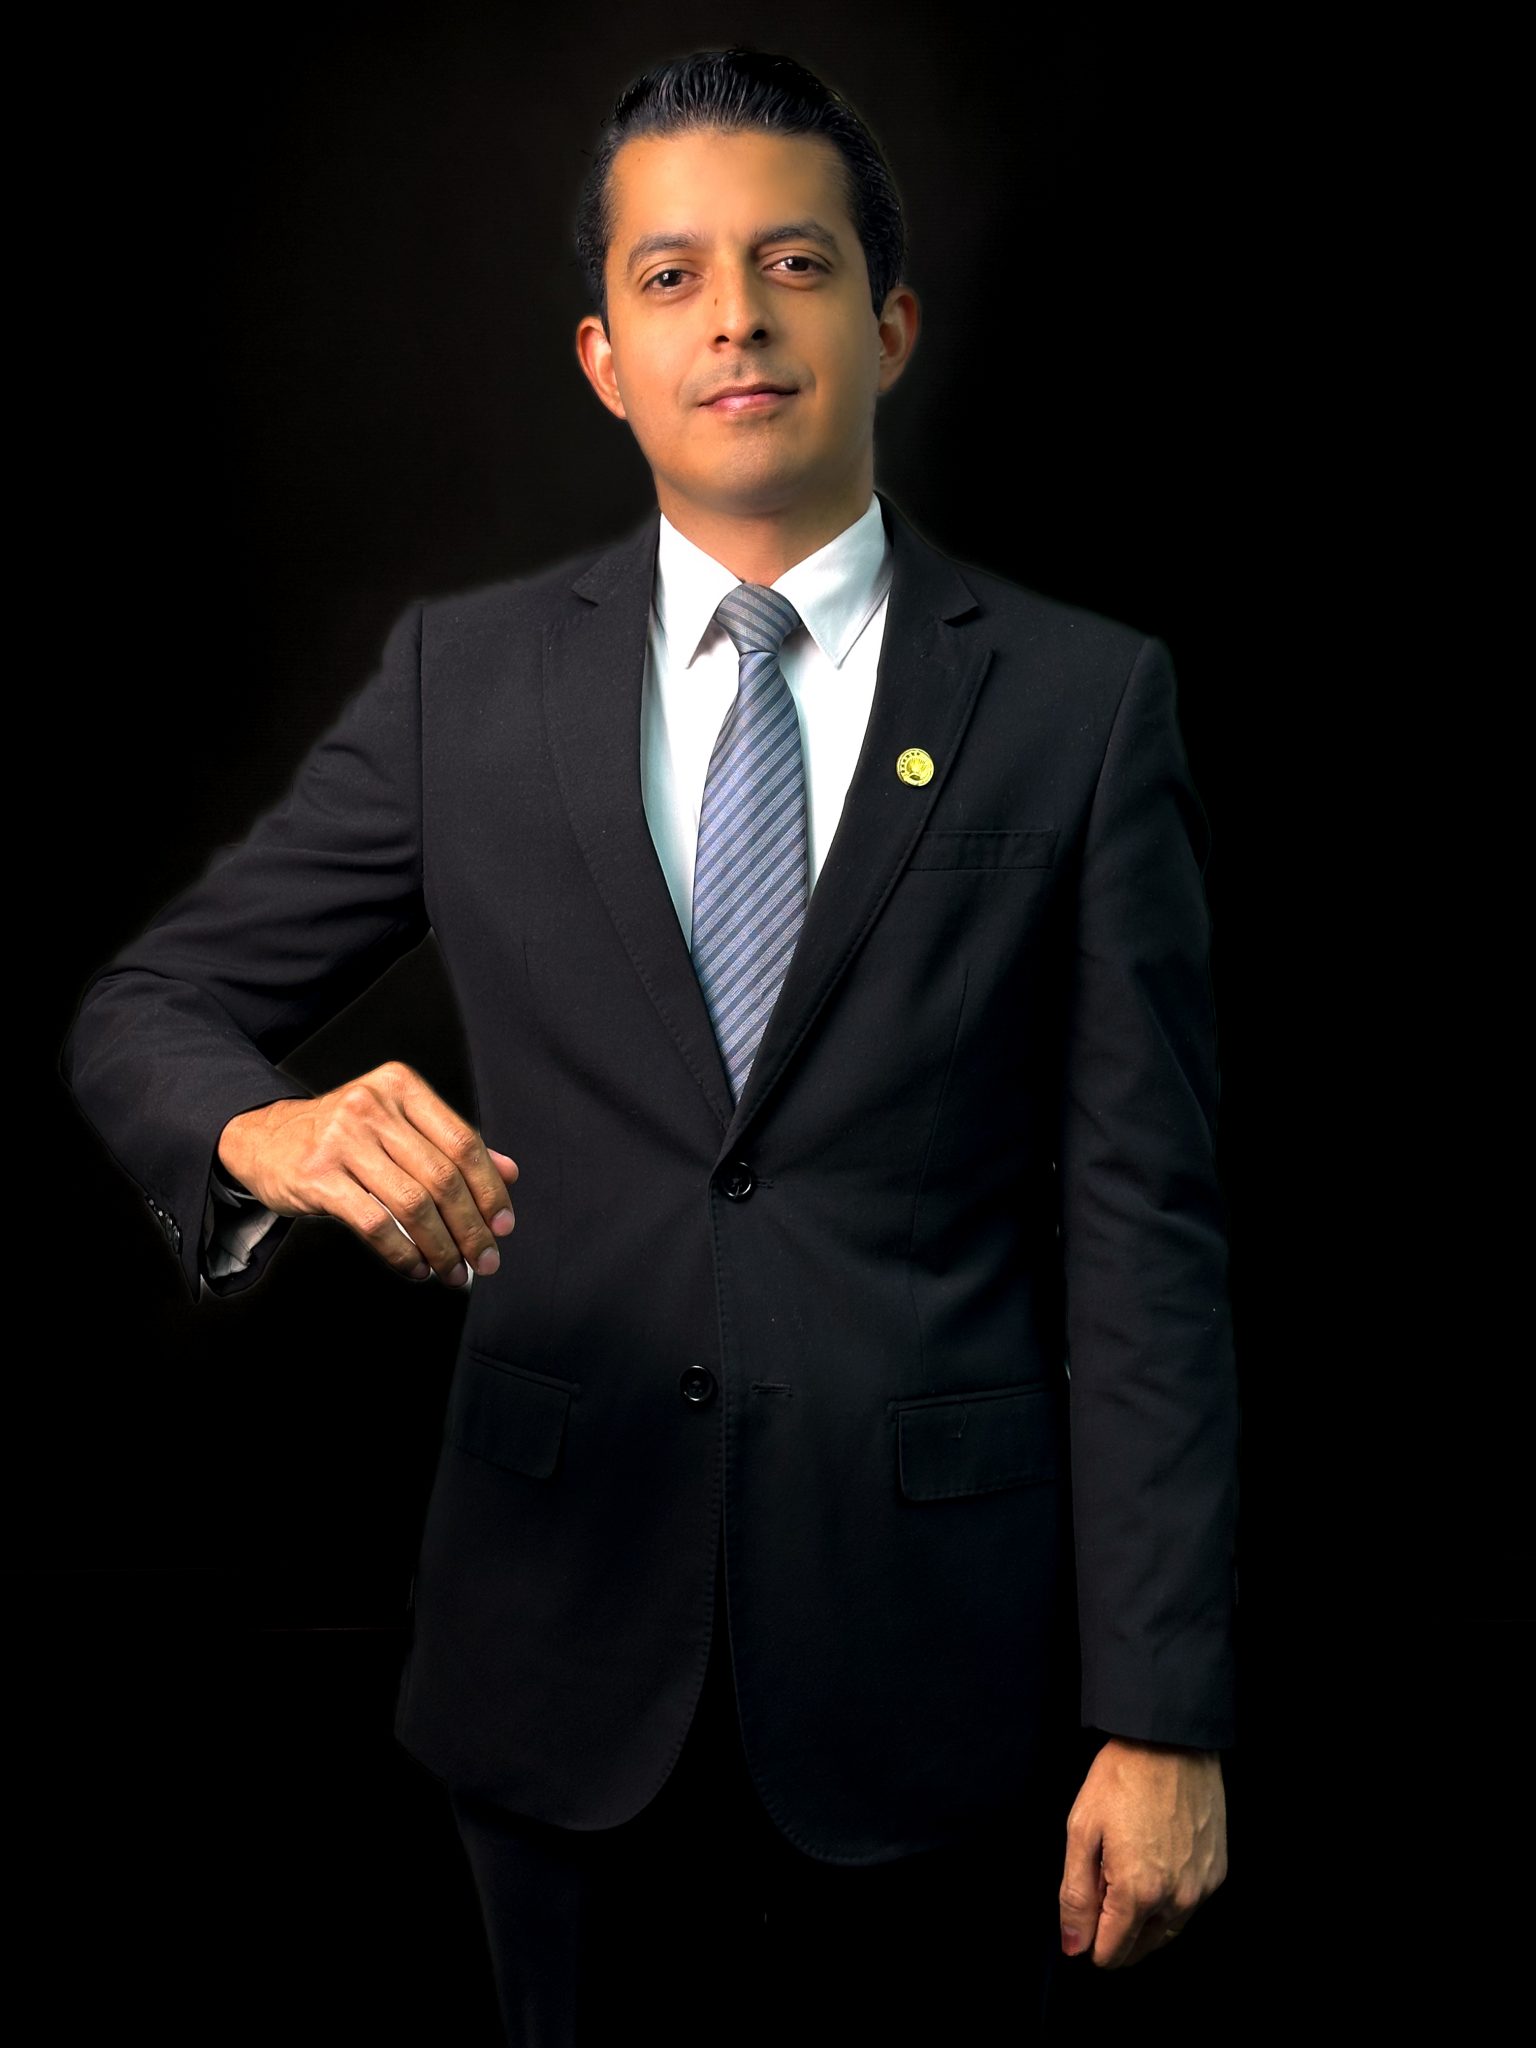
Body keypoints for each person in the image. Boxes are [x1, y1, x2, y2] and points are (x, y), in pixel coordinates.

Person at [62, 46, 1237, 2045]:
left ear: (890, 324)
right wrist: (271, 1135)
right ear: (606, 360)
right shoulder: (462, 682)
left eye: (794, 261)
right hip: (553, 1657)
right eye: (673, 275)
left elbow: (1151, 1242)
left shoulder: (1081, 703)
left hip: (945, 1681)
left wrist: (1165, 1710)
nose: (738, 318)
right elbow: (150, 1009)